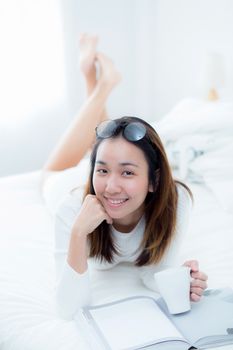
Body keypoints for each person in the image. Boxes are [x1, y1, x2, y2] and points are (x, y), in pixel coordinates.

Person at [43, 34, 208, 320]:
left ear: (155, 180)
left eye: (128, 172)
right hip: (61, 185)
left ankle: (99, 81)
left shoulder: (176, 201)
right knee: (51, 172)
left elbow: (153, 274)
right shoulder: (70, 209)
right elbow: (68, 308)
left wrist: (182, 280)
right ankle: (100, 83)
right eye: (102, 170)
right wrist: (78, 233)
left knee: (111, 142)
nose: (111, 186)